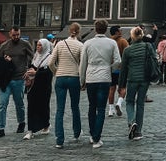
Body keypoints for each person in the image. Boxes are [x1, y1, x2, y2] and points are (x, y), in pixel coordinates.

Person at [79, 18, 121, 149]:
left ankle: (92, 134)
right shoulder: (111, 43)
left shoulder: (88, 43)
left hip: (91, 77)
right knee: (101, 108)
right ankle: (97, 137)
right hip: (105, 77)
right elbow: (118, 61)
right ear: (106, 29)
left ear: (95, 29)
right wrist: (110, 67)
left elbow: (83, 63)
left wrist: (82, 80)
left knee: (92, 107)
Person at [0, 27, 33, 139]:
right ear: (10, 34)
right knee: (2, 104)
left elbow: (33, 58)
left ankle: (21, 122)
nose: (16, 37)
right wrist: (4, 61)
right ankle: (1, 128)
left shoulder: (25, 44)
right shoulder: (4, 46)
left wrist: (29, 71)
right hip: (5, 80)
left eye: (18, 35)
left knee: (19, 103)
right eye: (14, 35)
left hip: (19, 78)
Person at [117, 26, 157, 140]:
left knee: (129, 101)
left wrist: (121, 86)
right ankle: (138, 132)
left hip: (132, 79)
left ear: (132, 36)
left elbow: (123, 69)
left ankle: (131, 121)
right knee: (140, 104)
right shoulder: (148, 46)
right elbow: (153, 60)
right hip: (145, 79)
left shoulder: (128, 50)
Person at [49, 22, 83, 148]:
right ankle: (77, 132)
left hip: (61, 78)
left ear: (69, 31)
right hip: (74, 77)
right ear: (78, 32)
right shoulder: (80, 45)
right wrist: (82, 79)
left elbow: (51, 63)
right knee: (75, 106)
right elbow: (82, 64)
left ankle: (59, 139)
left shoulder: (60, 44)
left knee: (60, 109)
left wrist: (57, 72)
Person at [23, 38, 53, 139]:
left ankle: (45, 125)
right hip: (33, 86)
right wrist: (28, 72)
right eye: (38, 45)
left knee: (43, 106)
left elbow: (49, 73)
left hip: (44, 87)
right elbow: (32, 66)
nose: (38, 47)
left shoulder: (49, 58)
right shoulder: (36, 56)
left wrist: (36, 73)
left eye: (40, 45)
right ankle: (30, 129)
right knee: (31, 106)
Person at [107, 26, 128, 116]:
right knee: (122, 88)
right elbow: (128, 53)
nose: (122, 31)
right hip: (121, 69)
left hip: (111, 69)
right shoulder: (123, 41)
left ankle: (110, 110)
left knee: (111, 89)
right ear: (116, 32)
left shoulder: (108, 42)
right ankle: (119, 103)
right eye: (120, 30)